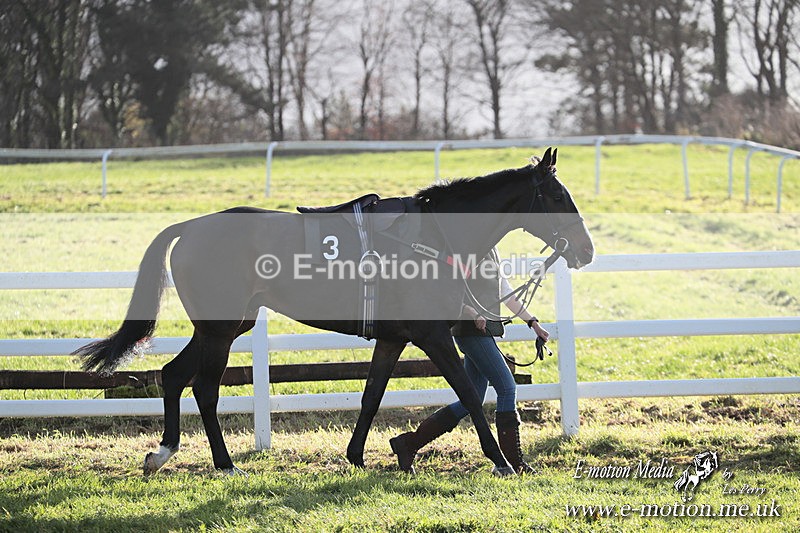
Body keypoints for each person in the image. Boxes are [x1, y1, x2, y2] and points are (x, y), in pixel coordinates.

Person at [390, 248, 550, 474]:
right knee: (507, 387)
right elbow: (446, 291)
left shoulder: (492, 251)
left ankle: (408, 444)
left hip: (482, 332)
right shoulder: (461, 249)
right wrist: (470, 311)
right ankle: (513, 464)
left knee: (472, 398)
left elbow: (506, 293)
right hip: (470, 331)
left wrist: (533, 323)